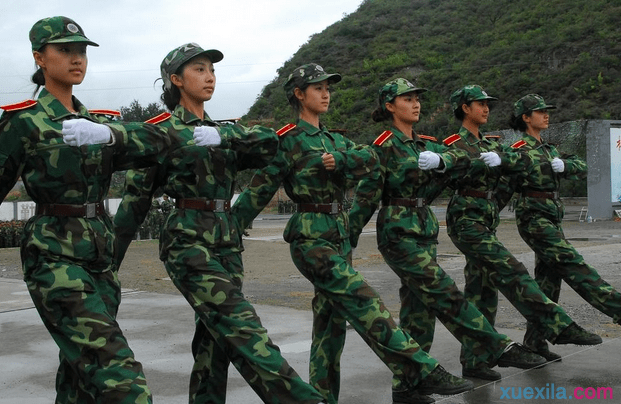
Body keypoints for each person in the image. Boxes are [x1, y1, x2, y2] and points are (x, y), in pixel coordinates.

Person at [233, 64, 474, 404]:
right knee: (364, 300)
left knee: (330, 329)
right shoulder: (287, 140)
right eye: (317, 88)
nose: (326, 93)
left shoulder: (336, 140)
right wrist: (227, 231)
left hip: (339, 234)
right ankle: (417, 370)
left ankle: (323, 396)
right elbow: (258, 191)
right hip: (311, 237)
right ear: (299, 94)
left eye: (328, 87)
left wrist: (341, 160)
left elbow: (372, 160)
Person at [113, 43, 325, 404]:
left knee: (215, 342)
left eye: (211, 69)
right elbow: (135, 201)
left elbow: (270, 144)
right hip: (187, 240)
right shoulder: (162, 133)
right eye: (199, 69)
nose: (209, 76)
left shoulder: (224, 130)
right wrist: (108, 266)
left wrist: (223, 136)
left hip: (226, 242)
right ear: (176, 80)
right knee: (239, 322)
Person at [0, 16, 172, 403]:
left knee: (79, 378)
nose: (77, 58)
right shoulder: (22, 121)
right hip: (53, 257)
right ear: (39, 58)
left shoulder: (99, 122)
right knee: (119, 376)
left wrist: (109, 134)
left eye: (81, 51)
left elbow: (163, 140)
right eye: (64, 50)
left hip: (99, 258)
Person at [348, 78, 547, 391]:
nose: (416, 103)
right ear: (390, 106)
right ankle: (495, 347)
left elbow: (463, 160)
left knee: (419, 310)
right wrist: (346, 242)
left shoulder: (425, 143)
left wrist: (443, 162)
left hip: (424, 229)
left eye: (417, 98)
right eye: (407, 98)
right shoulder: (384, 146)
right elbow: (365, 198)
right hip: (398, 232)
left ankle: (409, 386)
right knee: (442, 289)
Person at [439, 85, 603, 380]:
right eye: (480, 104)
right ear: (464, 108)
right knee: (511, 270)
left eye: (488, 104)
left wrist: (495, 208)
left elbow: (507, 180)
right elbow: (448, 170)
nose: (486, 108)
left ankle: (475, 360)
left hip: (484, 219)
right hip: (466, 218)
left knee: (481, 292)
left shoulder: (492, 145)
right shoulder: (453, 143)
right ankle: (557, 326)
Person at [506, 94, 621, 361]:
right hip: (534, 218)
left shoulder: (549, 148)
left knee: (548, 282)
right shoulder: (519, 150)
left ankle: (534, 343)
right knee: (571, 262)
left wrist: (566, 165)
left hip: (551, 217)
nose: (546, 115)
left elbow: (582, 165)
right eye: (540, 111)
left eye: (547, 110)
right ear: (526, 117)